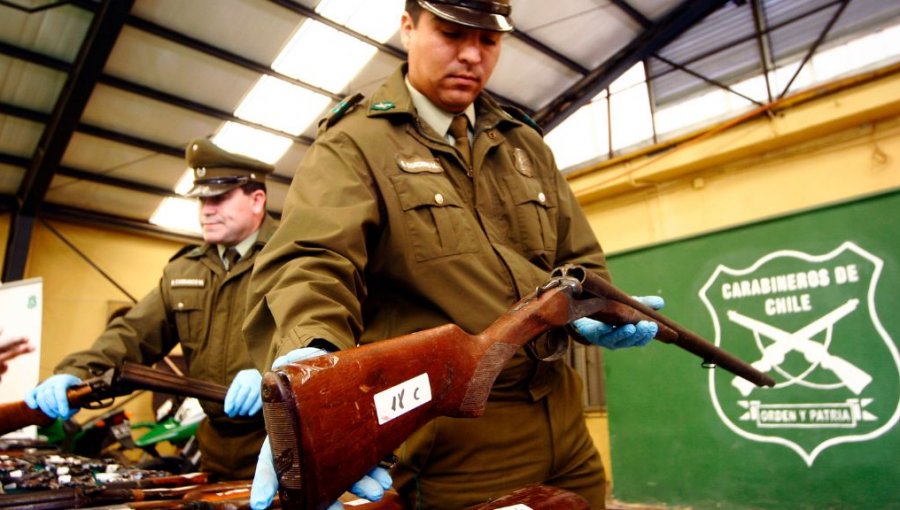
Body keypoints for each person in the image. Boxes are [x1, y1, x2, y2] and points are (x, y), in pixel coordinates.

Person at [244, 1, 664, 508]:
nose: (471, 55)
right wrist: (314, 358)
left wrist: (596, 311)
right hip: (454, 441)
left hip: (565, 420)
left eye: (488, 41)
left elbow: (580, 259)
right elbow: (312, 260)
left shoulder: (524, 144)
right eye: (451, 34)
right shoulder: (355, 143)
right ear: (408, 28)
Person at [25, 138, 278, 480]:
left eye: (219, 198)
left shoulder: (293, 256)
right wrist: (77, 372)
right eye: (202, 199)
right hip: (218, 453)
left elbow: (330, 334)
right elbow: (132, 334)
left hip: (285, 441)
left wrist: (276, 375)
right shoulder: (184, 271)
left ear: (257, 200)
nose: (206, 209)